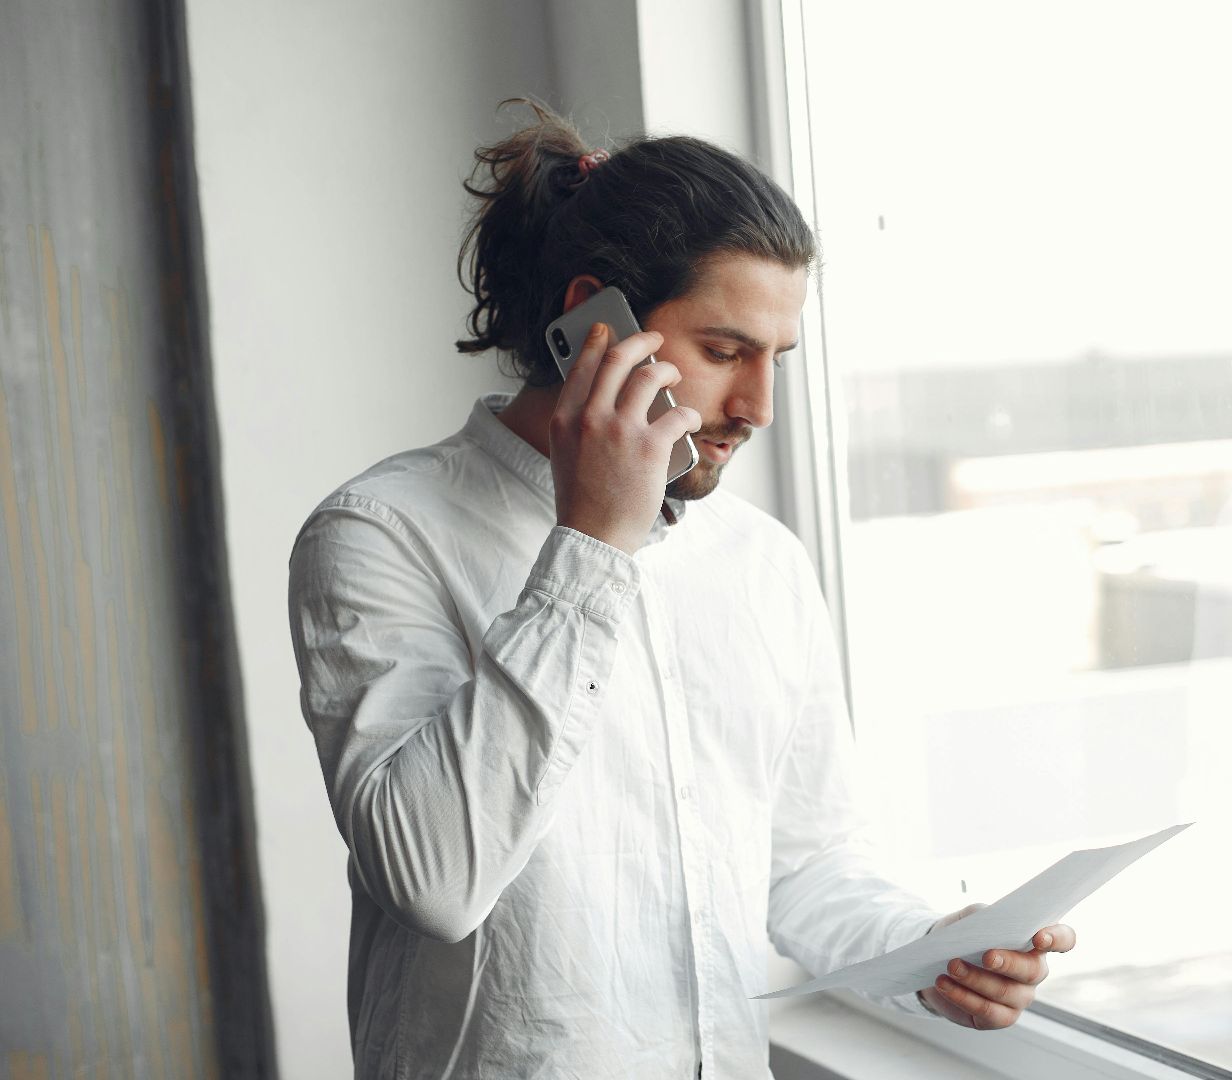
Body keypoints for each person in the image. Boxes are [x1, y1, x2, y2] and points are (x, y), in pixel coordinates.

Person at [285, 98, 1076, 1079]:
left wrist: (935, 951)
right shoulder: (380, 533)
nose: (758, 408)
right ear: (594, 322)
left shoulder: (761, 562)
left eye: (776, 359)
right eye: (725, 351)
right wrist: (592, 544)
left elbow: (808, 866)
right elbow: (435, 880)